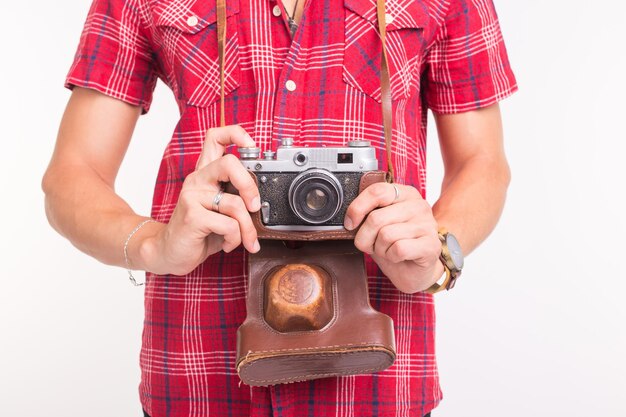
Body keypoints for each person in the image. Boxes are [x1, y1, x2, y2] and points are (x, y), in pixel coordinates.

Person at [43, 0, 517, 415]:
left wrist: (435, 254)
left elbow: (483, 163)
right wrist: (154, 246)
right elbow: (71, 176)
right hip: (200, 367)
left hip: (377, 376)